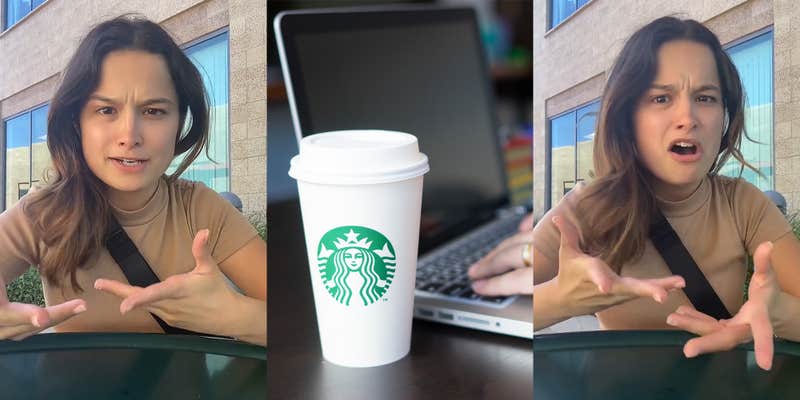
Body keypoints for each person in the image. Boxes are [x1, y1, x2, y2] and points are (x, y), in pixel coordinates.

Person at [474, 16, 800, 371]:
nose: (687, 117)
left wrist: (776, 312)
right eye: (661, 98)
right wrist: (562, 300)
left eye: (705, 97)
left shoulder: (744, 203)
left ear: (724, 115)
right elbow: (485, 317)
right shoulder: (586, 209)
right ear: (626, 116)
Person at [0, 16, 266, 346]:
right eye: (106, 110)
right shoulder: (43, 213)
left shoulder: (201, 210)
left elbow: (309, 319)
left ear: (180, 121)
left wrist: (234, 317)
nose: (129, 136)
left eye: (154, 111)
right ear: (77, 121)